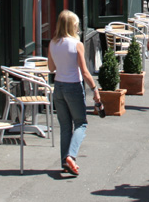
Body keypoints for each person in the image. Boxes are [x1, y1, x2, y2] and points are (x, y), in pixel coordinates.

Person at [48, 10, 101, 176]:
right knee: (81, 123)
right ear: (73, 25)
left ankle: (65, 161)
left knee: (65, 126)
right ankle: (71, 156)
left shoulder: (53, 43)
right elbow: (84, 71)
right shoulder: (76, 44)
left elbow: (51, 68)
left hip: (58, 86)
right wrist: (95, 89)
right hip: (73, 86)